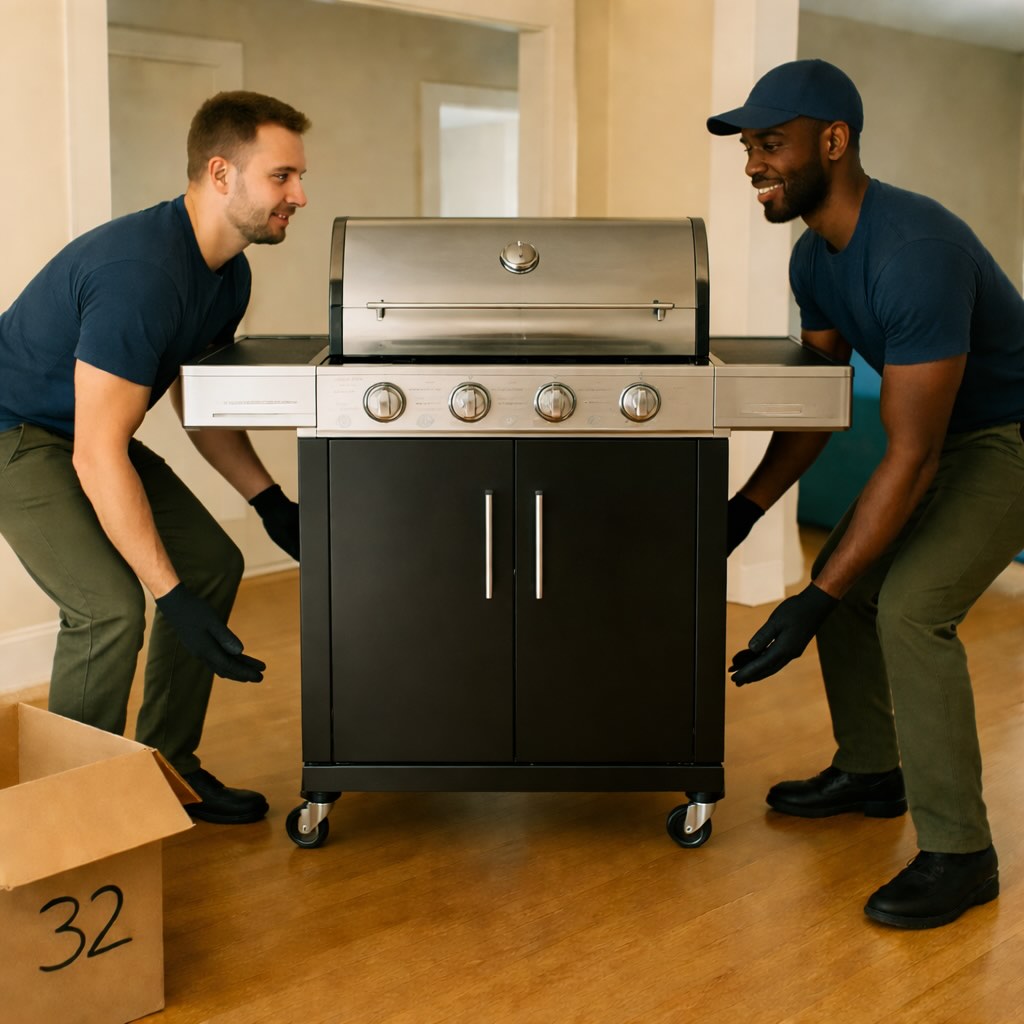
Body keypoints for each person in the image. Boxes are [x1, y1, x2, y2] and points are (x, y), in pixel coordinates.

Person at [707, 59, 1024, 929]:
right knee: (852, 587)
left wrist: (813, 594)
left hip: (1007, 439)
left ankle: (962, 856)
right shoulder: (815, 259)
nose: (752, 165)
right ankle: (875, 770)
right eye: (749, 148)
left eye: (770, 144)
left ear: (834, 141)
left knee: (908, 607)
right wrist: (739, 514)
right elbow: (817, 413)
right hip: (943, 439)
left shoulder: (915, 252)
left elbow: (915, 454)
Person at [0, 91, 311, 825]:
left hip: (83, 433)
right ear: (221, 172)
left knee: (213, 563)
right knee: (108, 609)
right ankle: (65, 813)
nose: (299, 195)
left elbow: (195, 403)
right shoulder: (141, 273)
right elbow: (97, 452)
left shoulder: (228, 274)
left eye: (299, 177)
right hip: (13, 434)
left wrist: (270, 503)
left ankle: (170, 767)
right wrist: (169, 599)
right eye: (282, 177)